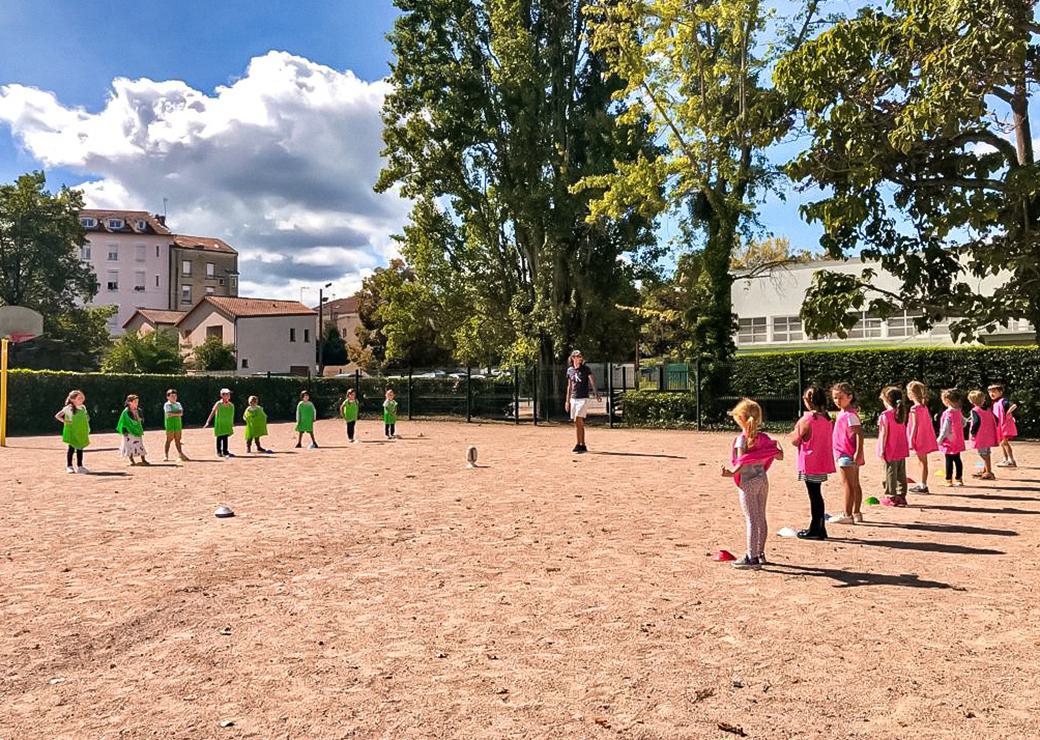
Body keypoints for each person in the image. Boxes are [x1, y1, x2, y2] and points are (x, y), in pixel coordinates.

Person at [722, 398, 783, 569]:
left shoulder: (742, 439)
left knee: (751, 519)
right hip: (762, 479)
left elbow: (742, 461)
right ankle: (760, 553)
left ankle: (751, 557)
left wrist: (731, 472)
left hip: (748, 482)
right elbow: (778, 455)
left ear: (741, 418)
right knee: (761, 517)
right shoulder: (763, 438)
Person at [788, 386, 834, 540]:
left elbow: (796, 440)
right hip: (822, 461)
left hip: (810, 462)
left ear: (808, 401)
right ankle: (819, 527)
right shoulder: (827, 419)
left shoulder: (807, 419)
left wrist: (793, 433)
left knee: (814, 496)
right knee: (817, 494)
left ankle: (816, 528)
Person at [829, 383, 865, 524]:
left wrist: (858, 452)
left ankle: (847, 514)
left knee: (848, 484)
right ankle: (856, 513)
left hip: (846, 454)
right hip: (845, 453)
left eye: (840, 397)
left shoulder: (850, 415)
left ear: (849, 397)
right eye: (835, 398)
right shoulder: (844, 413)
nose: (837, 401)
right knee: (854, 484)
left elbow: (859, 434)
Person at [878, 386, 910, 507]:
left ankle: (890, 495)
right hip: (901, 448)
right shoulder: (901, 413)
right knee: (901, 472)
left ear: (886, 400)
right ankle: (901, 495)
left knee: (890, 472)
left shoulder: (885, 415)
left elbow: (884, 434)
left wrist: (882, 449)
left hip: (890, 449)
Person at [906, 380, 939, 494]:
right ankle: (923, 483)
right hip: (925, 437)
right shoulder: (924, 407)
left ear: (912, 393)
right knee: (923, 461)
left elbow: (915, 425)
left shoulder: (914, 408)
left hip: (918, 437)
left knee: (921, 461)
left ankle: (922, 484)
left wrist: (911, 438)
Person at [564, 350, 600, 454]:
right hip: (574, 398)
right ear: (572, 358)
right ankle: (580, 444)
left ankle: (581, 443)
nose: (578, 358)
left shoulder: (585, 369)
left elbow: (592, 381)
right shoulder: (570, 370)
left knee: (578, 418)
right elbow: (569, 386)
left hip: (583, 398)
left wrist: (596, 393)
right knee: (577, 422)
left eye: (579, 356)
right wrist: (567, 401)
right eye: (576, 356)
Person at [54, 389, 90, 474]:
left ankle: (80, 466)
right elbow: (57, 416)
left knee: (80, 448)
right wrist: (65, 421)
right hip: (72, 432)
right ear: (72, 399)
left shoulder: (83, 407)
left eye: (82, 397)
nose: (81, 399)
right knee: (71, 448)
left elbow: (86, 418)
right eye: (79, 398)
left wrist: (87, 427)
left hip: (81, 432)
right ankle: (69, 466)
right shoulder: (68, 408)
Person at [937, 388, 966, 487]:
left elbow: (945, 429)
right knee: (958, 459)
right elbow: (964, 422)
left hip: (949, 441)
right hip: (958, 440)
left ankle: (948, 479)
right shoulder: (958, 412)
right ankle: (959, 479)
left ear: (947, 400)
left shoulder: (947, 413)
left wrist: (939, 440)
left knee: (949, 460)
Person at [968, 389, 998, 480]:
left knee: (983, 454)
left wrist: (973, 432)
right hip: (989, 435)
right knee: (987, 453)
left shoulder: (975, 410)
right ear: (983, 399)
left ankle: (989, 472)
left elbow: (976, 422)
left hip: (980, 436)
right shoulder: (988, 410)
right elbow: (996, 420)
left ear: (972, 401)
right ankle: (985, 470)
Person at [988, 384, 1018, 468]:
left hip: (1004, 426)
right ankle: (1005, 459)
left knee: (1004, 442)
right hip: (999, 427)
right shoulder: (995, 403)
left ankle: (1012, 461)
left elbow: (1014, 405)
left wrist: (1008, 413)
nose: (991, 394)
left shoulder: (1003, 401)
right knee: (1002, 443)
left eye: (994, 392)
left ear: (1000, 392)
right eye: (990, 392)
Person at [116, 394, 149, 466]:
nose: (137, 403)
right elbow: (123, 422)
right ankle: (131, 460)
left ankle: (143, 459)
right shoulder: (125, 412)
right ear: (129, 402)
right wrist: (124, 431)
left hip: (137, 430)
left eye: (137, 402)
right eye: (135, 402)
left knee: (139, 444)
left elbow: (142, 420)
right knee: (129, 446)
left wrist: (139, 418)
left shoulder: (139, 410)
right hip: (128, 432)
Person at [204, 388, 236, 458]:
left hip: (226, 424)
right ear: (222, 395)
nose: (228, 395)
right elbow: (212, 412)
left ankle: (225, 451)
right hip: (219, 424)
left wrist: (231, 423)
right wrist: (208, 421)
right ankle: (219, 452)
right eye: (226, 394)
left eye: (228, 394)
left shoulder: (231, 405)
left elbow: (231, 415)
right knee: (219, 437)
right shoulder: (218, 403)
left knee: (225, 437)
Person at [163, 389, 189, 462]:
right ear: (167, 397)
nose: (174, 397)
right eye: (172, 396)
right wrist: (176, 413)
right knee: (169, 440)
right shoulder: (166, 404)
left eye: (175, 396)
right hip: (170, 424)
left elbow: (181, 413)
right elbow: (169, 414)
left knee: (178, 440)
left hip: (178, 424)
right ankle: (166, 455)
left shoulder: (178, 404)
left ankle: (181, 455)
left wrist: (174, 413)